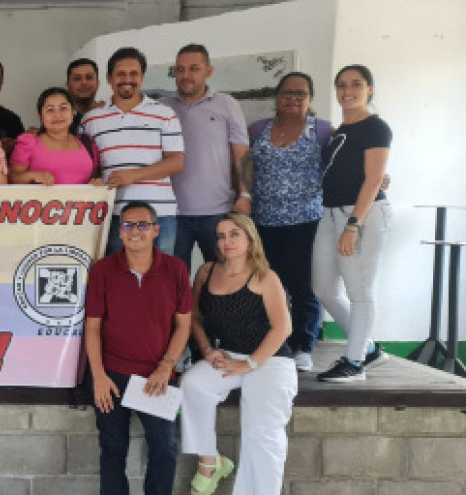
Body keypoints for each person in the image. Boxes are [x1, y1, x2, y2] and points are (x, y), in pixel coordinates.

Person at [85, 202, 191, 495]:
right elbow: (93, 328)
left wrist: (166, 367)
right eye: (128, 225)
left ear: (157, 230)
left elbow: (183, 325)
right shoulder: (103, 271)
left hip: (156, 378)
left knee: (164, 448)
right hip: (111, 375)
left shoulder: (176, 270)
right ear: (120, 231)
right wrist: (97, 376)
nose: (135, 232)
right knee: (113, 451)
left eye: (143, 225)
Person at [180, 213, 294, 495]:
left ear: (249, 239)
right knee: (192, 384)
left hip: (270, 359)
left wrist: (250, 363)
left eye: (234, 234)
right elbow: (195, 317)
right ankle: (211, 460)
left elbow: (282, 329)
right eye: (220, 235)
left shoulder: (265, 277)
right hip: (227, 354)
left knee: (263, 433)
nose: (226, 241)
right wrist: (208, 350)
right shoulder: (206, 272)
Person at [245, 72, 333, 372]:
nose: (292, 99)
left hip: (306, 221)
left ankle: (303, 346)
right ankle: (274, 342)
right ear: (276, 97)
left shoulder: (321, 131)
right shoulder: (258, 130)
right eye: (286, 93)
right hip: (263, 222)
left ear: (310, 98)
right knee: (269, 284)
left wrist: (380, 182)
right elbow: (246, 167)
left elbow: (344, 165)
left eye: (300, 93)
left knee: (304, 286)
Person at [313, 65, 392, 382]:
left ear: (369, 89)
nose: (348, 90)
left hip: (362, 216)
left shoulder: (376, 127)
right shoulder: (339, 131)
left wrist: (353, 224)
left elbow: (374, 180)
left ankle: (354, 362)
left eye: (356, 84)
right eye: (342, 85)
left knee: (359, 290)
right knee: (323, 288)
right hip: (330, 214)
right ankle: (369, 348)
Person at [80, 47, 184, 257]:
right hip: (112, 214)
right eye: (120, 74)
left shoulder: (164, 114)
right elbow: (84, 166)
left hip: (159, 215)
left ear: (142, 77)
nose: (127, 79)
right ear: (109, 79)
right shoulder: (91, 120)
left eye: (133, 74)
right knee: (118, 281)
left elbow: (176, 162)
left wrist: (133, 175)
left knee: (161, 282)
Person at [160, 44, 250, 269]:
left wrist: (246, 195)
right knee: (175, 282)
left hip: (218, 212)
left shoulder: (227, 105)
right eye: (180, 69)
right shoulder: (162, 108)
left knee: (222, 277)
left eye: (194, 69)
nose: (185, 75)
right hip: (172, 213)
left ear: (208, 71)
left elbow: (242, 155)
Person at [9, 87, 99, 187]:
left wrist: (97, 182)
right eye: (50, 110)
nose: (57, 115)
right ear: (40, 116)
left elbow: (95, 178)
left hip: (83, 202)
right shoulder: (28, 143)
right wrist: (32, 176)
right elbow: (12, 179)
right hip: (42, 202)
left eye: (63, 108)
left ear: (72, 112)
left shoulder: (87, 143)